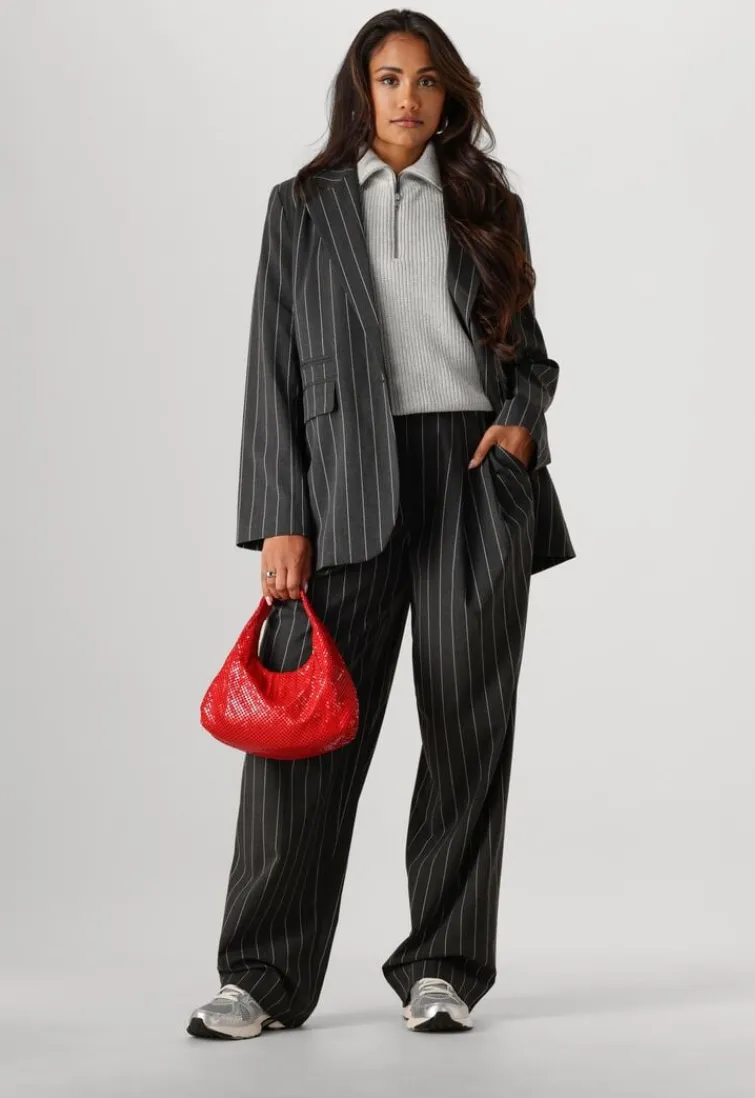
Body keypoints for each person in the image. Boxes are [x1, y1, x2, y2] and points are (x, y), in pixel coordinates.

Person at [187, 8, 576, 1040]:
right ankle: (262, 974)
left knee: (466, 733)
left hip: (473, 481)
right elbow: (271, 364)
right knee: (304, 732)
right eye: (390, 78)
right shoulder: (303, 206)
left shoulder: (488, 202)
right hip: (343, 489)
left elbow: (529, 356)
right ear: (361, 90)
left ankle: (443, 968)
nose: (408, 97)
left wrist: (519, 423)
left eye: (427, 80)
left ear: (450, 96)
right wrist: (280, 516)